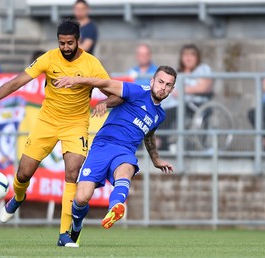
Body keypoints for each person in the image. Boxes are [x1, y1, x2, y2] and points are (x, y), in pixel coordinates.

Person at [0, 19, 121, 248]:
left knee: (72, 172)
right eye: (62, 43)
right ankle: (17, 197)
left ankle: (64, 234)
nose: (65, 47)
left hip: (76, 125)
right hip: (46, 121)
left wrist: (105, 102)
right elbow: (16, 82)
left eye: (70, 43)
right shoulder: (48, 58)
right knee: (24, 173)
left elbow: (117, 92)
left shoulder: (92, 64)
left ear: (78, 41)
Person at [55, 65, 176, 245]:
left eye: (168, 85)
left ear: (172, 90)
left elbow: (149, 134)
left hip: (125, 151)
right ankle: (77, 227)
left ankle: (115, 207)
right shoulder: (136, 91)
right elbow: (105, 83)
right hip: (103, 145)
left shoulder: (160, 115)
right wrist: (77, 80)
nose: (163, 87)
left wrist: (156, 159)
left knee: (127, 168)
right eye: (160, 82)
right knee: (81, 198)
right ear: (152, 81)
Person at [159, 44, 212, 150]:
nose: (188, 58)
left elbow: (204, 87)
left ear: (197, 57)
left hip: (193, 104)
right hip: (172, 103)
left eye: (192, 55)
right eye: (185, 55)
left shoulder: (203, 69)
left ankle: (160, 141)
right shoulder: (178, 72)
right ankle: (160, 143)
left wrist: (182, 91)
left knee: (169, 113)